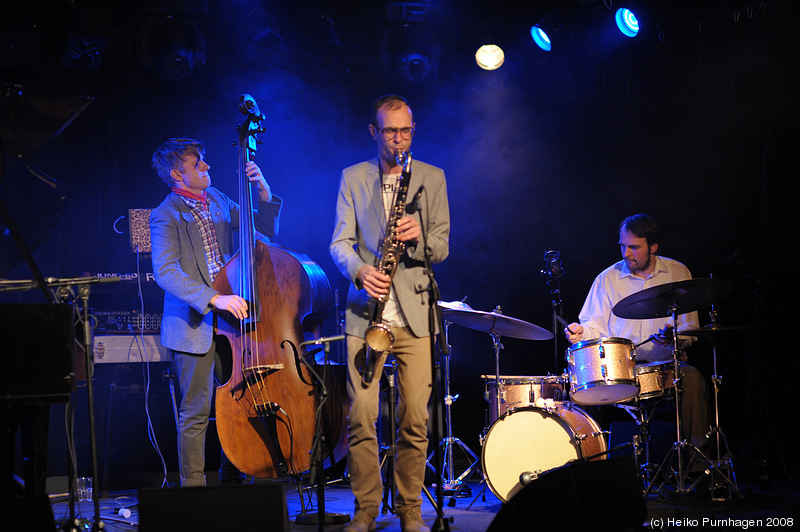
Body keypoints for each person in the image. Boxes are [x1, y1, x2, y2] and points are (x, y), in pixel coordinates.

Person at [330, 94, 450, 532]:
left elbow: (442, 246)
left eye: (406, 130)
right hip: (367, 314)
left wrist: (419, 236)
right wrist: (361, 270)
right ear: (374, 132)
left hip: (416, 316)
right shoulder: (352, 177)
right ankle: (365, 509)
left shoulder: (431, 177)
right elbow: (339, 243)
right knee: (361, 415)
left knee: (415, 419)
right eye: (390, 130)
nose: (398, 139)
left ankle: (409, 509)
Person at [149, 137, 282, 487]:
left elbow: (262, 231)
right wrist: (214, 298)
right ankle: (193, 488)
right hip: (193, 324)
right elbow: (166, 272)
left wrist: (264, 194)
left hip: (230, 323)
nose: (207, 167)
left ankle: (234, 476)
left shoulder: (219, 199)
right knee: (196, 410)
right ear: (177, 174)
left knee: (237, 400)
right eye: (198, 165)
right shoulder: (165, 214)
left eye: (204, 161)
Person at [564, 213, 710, 451]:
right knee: (581, 385)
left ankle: (694, 462)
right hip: (621, 369)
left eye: (634, 247)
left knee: (693, 378)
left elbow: (690, 330)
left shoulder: (677, 272)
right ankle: (590, 461)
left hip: (666, 366)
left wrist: (673, 338)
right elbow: (593, 326)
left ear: (653, 246)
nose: (626, 254)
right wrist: (581, 333)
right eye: (623, 246)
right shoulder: (607, 279)